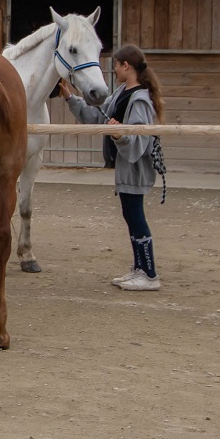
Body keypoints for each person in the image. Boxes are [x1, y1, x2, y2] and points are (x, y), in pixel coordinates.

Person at [59, 43, 166, 291]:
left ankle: (149, 274)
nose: (114, 70)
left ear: (126, 66)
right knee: (130, 215)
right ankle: (140, 268)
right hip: (124, 167)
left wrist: (120, 136)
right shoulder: (120, 94)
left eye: (116, 65)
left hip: (135, 168)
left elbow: (138, 140)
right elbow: (98, 118)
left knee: (136, 216)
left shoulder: (139, 100)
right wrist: (70, 98)